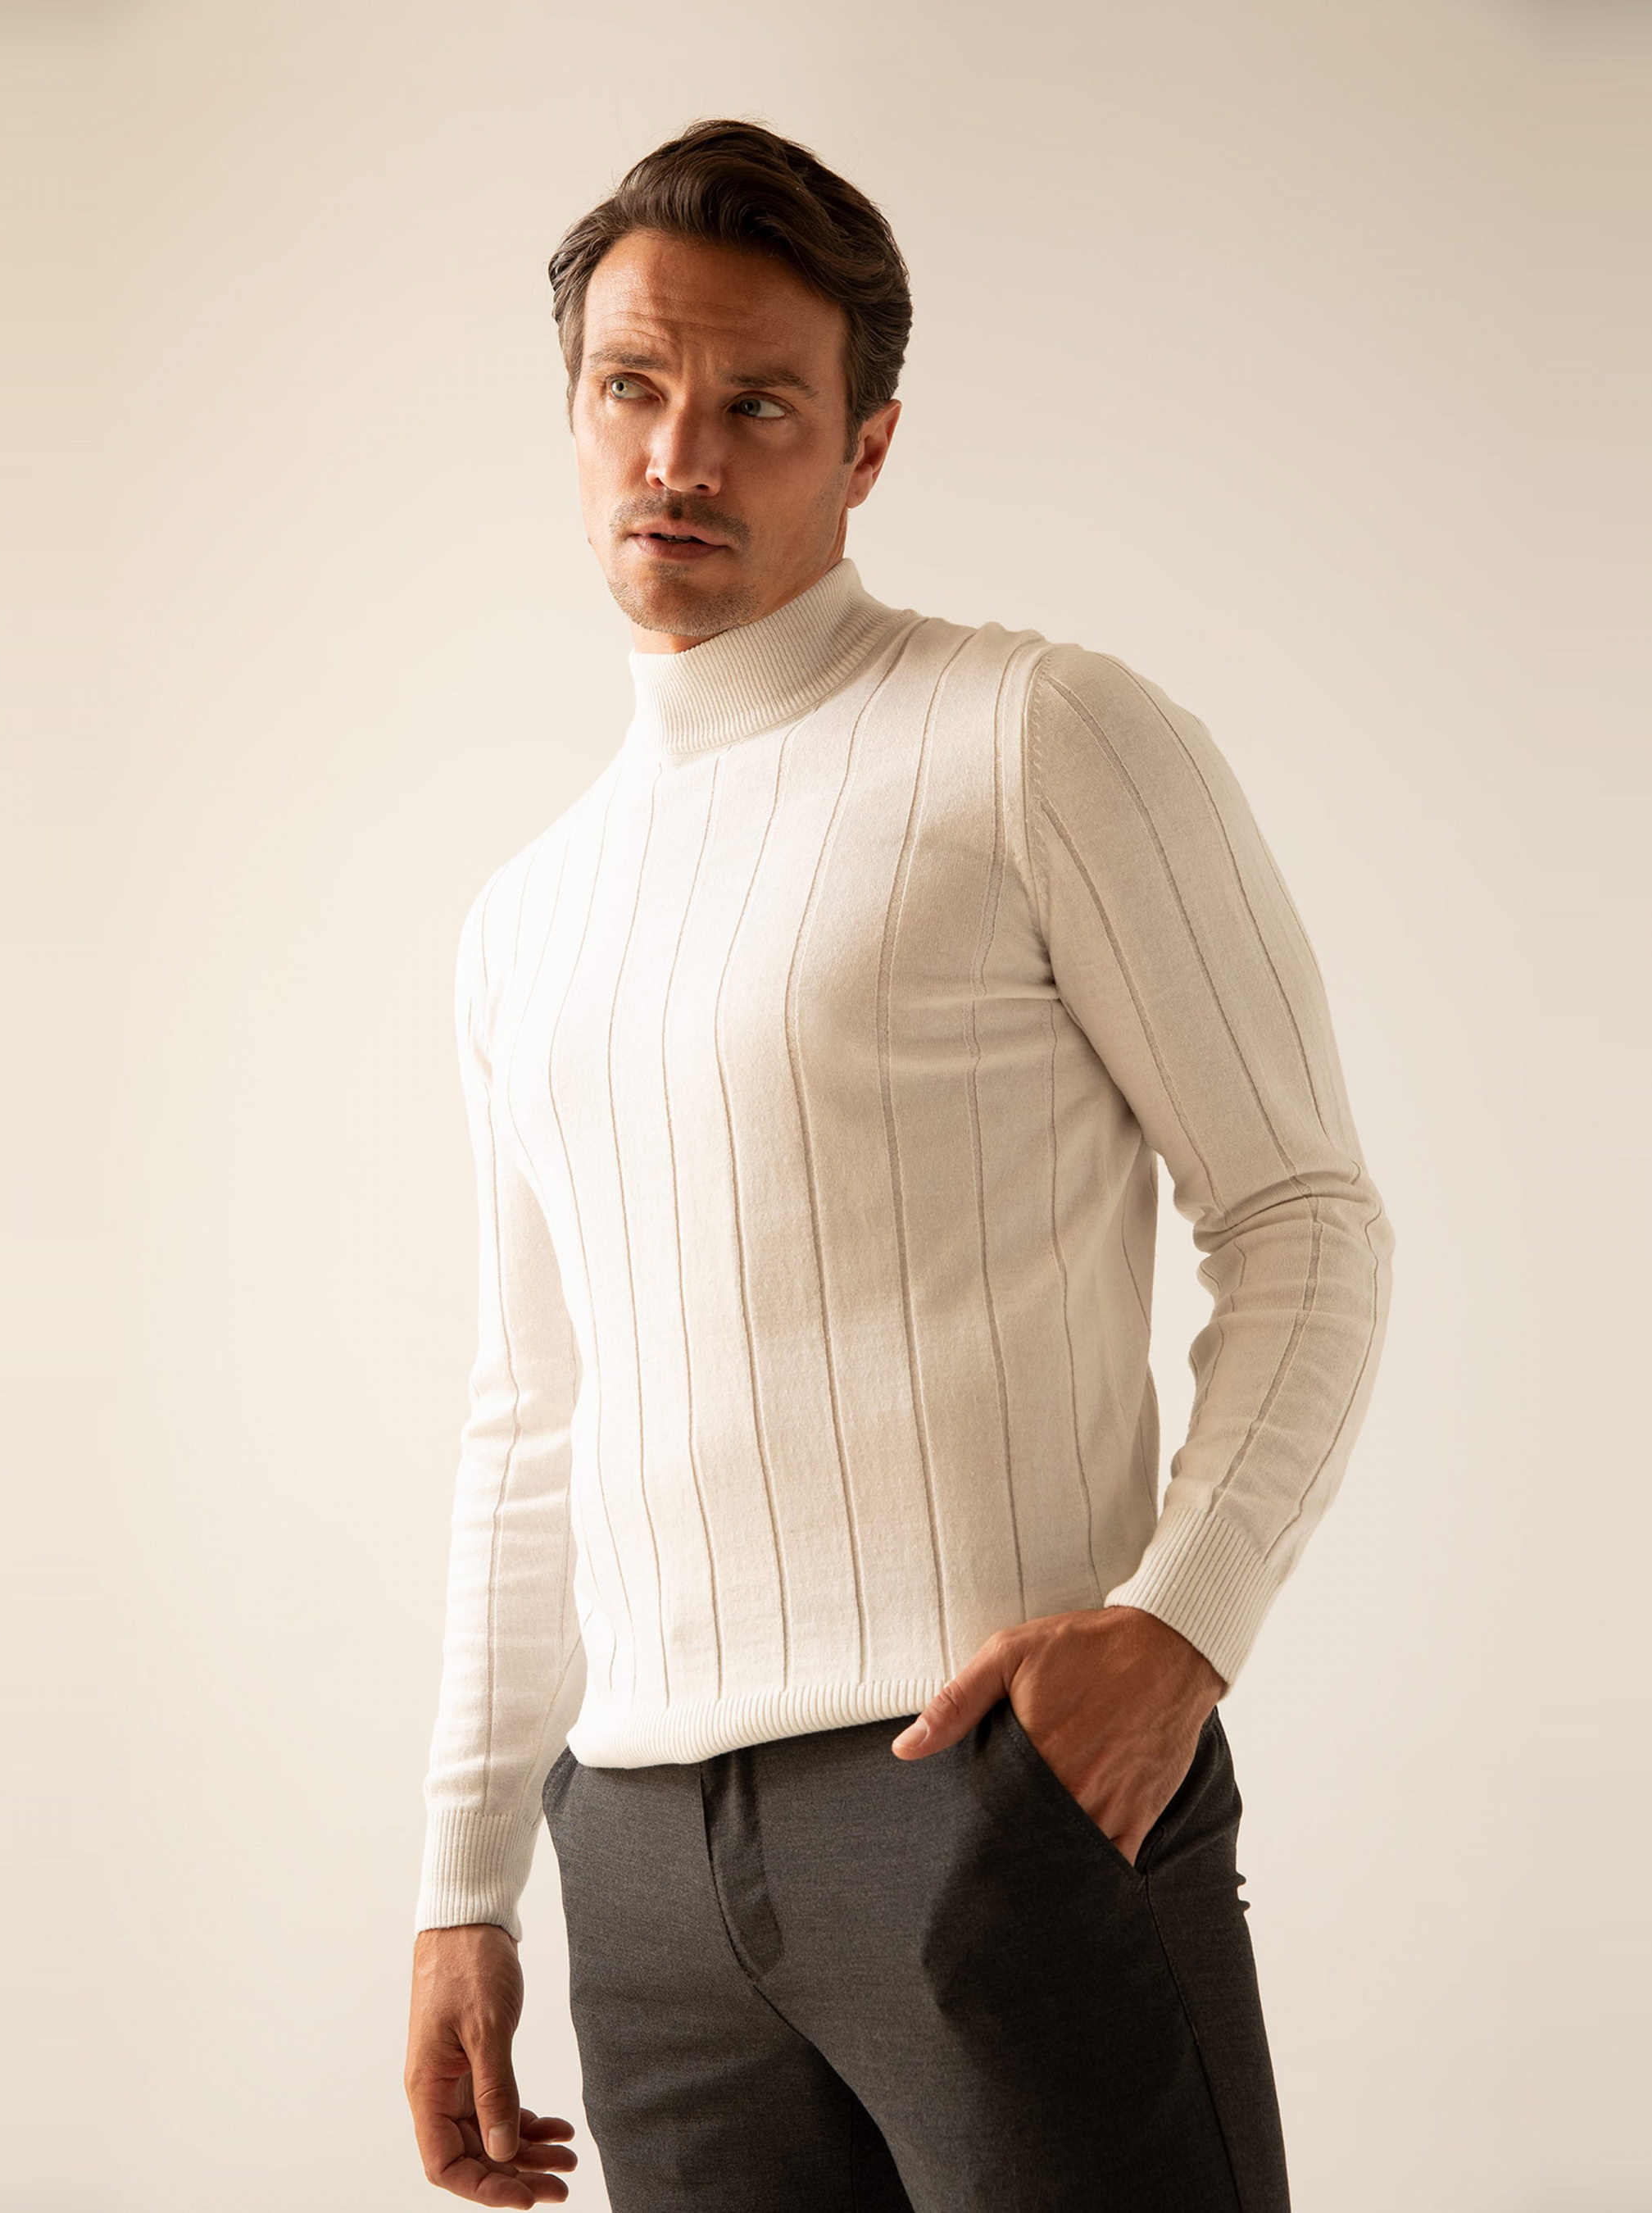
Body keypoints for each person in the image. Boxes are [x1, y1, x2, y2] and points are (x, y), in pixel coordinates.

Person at [402, 117, 1394, 2213]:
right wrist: (461, 1883)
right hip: (643, 1865)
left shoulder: (1036, 736)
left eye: (757, 406)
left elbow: (1300, 1216)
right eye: (630, 388)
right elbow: (528, 1419)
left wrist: (1178, 1629)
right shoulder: (524, 918)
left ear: (862, 451)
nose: (679, 454)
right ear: (573, 411)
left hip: (991, 1796)